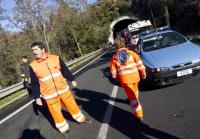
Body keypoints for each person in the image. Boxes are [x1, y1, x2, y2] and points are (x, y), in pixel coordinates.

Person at [29, 42, 86, 134]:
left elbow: (65, 70)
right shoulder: (33, 65)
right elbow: (34, 83)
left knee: (72, 105)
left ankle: (81, 119)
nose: (34, 52)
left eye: (36, 49)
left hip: (63, 89)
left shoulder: (55, 58)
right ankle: (63, 129)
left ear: (43, 49)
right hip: (49, 94)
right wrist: (37, 97)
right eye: (33, 50)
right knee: (56, 112)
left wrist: (72, 79)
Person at [109, 37, 146, 121]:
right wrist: (143, 73)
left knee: (132, 99)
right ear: (124, 44)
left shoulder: (114, 58)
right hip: (135, 77)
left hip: (125, 81)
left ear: (116, 46)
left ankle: (139, 114)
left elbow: (113, 72)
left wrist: (116, 78)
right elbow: (139, 64)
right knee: (135, 91)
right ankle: (136, 100)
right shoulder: (132, 53)